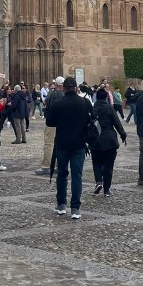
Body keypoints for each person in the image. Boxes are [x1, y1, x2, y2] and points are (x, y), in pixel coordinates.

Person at [46, 76, 93, 219]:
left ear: (64, 88)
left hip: (62, 143)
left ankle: (61, 205)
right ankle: (75, 208)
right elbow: (92, 119)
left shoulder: (58, 103)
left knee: (62, 174)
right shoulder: (85, 103)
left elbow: (50, 123)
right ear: (76, 88)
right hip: (79, 144)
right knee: (77, 175)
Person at [90, 87, 127, 196]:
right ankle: (106, 190)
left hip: (95, 140)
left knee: (96, 163)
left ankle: (98, 182)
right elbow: (117, 123)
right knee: (108, 165)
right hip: (109, 140)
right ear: (106, 97)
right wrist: (123, 135)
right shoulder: (109, 108)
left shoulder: (92, 108)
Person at [35, 76, 65, 176]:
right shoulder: (65, 94)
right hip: (63, 123)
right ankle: (59, 165)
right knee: (60, 144)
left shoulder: (53, 93)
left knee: (49, 144)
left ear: (56, 85)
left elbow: (48, 105)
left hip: (52, 123)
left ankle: (46, 166)